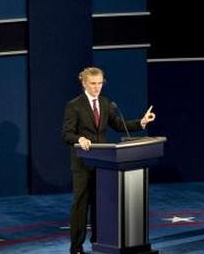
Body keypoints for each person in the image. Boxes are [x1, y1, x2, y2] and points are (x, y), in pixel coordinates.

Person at [62, 66, 156, 254]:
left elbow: (119, 125)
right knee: (81, 205)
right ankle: (76, 247)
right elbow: (66, 133)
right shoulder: (74, 105)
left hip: (104, 164)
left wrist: (141, 122)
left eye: (99, 84)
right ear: (84, 83)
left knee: (101, 203)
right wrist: (79, 139)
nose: (97, 88)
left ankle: (100, 240)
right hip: (83, 163)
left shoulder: (105, 103)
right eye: (93, 84)